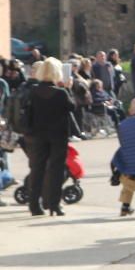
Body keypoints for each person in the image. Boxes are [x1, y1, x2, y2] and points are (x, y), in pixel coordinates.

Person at [25, 57, 74, 216]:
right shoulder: (61, 93)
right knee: (56, 169)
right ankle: (54, 204)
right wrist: (69, 88)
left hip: (38, 134)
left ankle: (34, 205)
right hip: (58, 135)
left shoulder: (32, 91)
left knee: (37, 169)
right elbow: (72, 107)